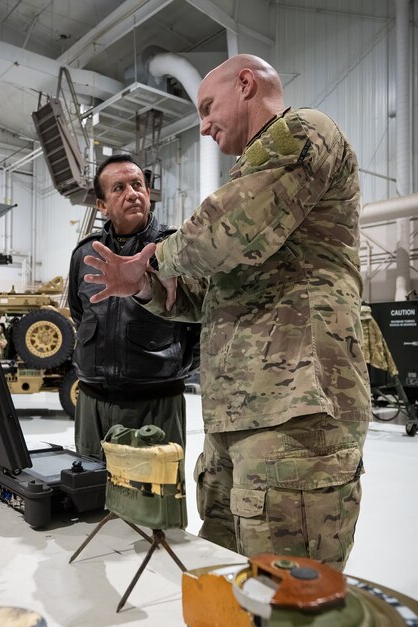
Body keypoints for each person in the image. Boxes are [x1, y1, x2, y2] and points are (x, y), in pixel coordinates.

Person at [82, 55, 371, 571]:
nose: (203, 123)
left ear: (246, 84)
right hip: (235, 417)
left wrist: (156, 257)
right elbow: (200, 296)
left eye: (208, 106)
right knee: (223, 576)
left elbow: (231, 228)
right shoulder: (249, 175)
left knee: (286, 597)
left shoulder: (304, 132)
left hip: (297, 414)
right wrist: (145, 285)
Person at [67, 152, 200, 461]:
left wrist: (172, 369)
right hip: (91, 404)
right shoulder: (85, 255)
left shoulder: (175, 249)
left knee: (155, 502)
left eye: (138, 185)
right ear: (101, 205)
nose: (132, 194)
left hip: (156, 406)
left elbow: (200, 326)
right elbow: (79, 314)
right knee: (90, 499)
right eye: (119, 188)